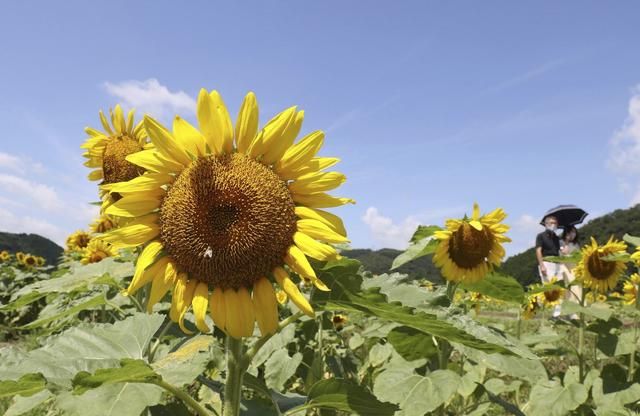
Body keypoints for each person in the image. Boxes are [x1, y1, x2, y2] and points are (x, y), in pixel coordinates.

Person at [536, 215, 562, 316]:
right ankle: (537, 306)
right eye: (551, 223)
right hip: (546, 263)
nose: (553, 225)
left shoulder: (556, 238)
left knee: (558, 289)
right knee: (547, 288)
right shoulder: (540, 236)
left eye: (555, 223)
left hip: (557, 264)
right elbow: (538, 251)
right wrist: (541, 264)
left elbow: (558, 251)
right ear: (546, 224)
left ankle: (556, 314)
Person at [559, 225, 581, 318]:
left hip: (574, 268)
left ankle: (575, 313)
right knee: (566, 290)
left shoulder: (576, 245)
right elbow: (559, 255)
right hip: (564, 268)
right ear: (566, 233)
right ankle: (564, 313)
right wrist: (563, 252)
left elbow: (579, 256)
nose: (572, 234)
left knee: (576, 289)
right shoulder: (560, 242)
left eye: (574, 232)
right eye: (570, 232)